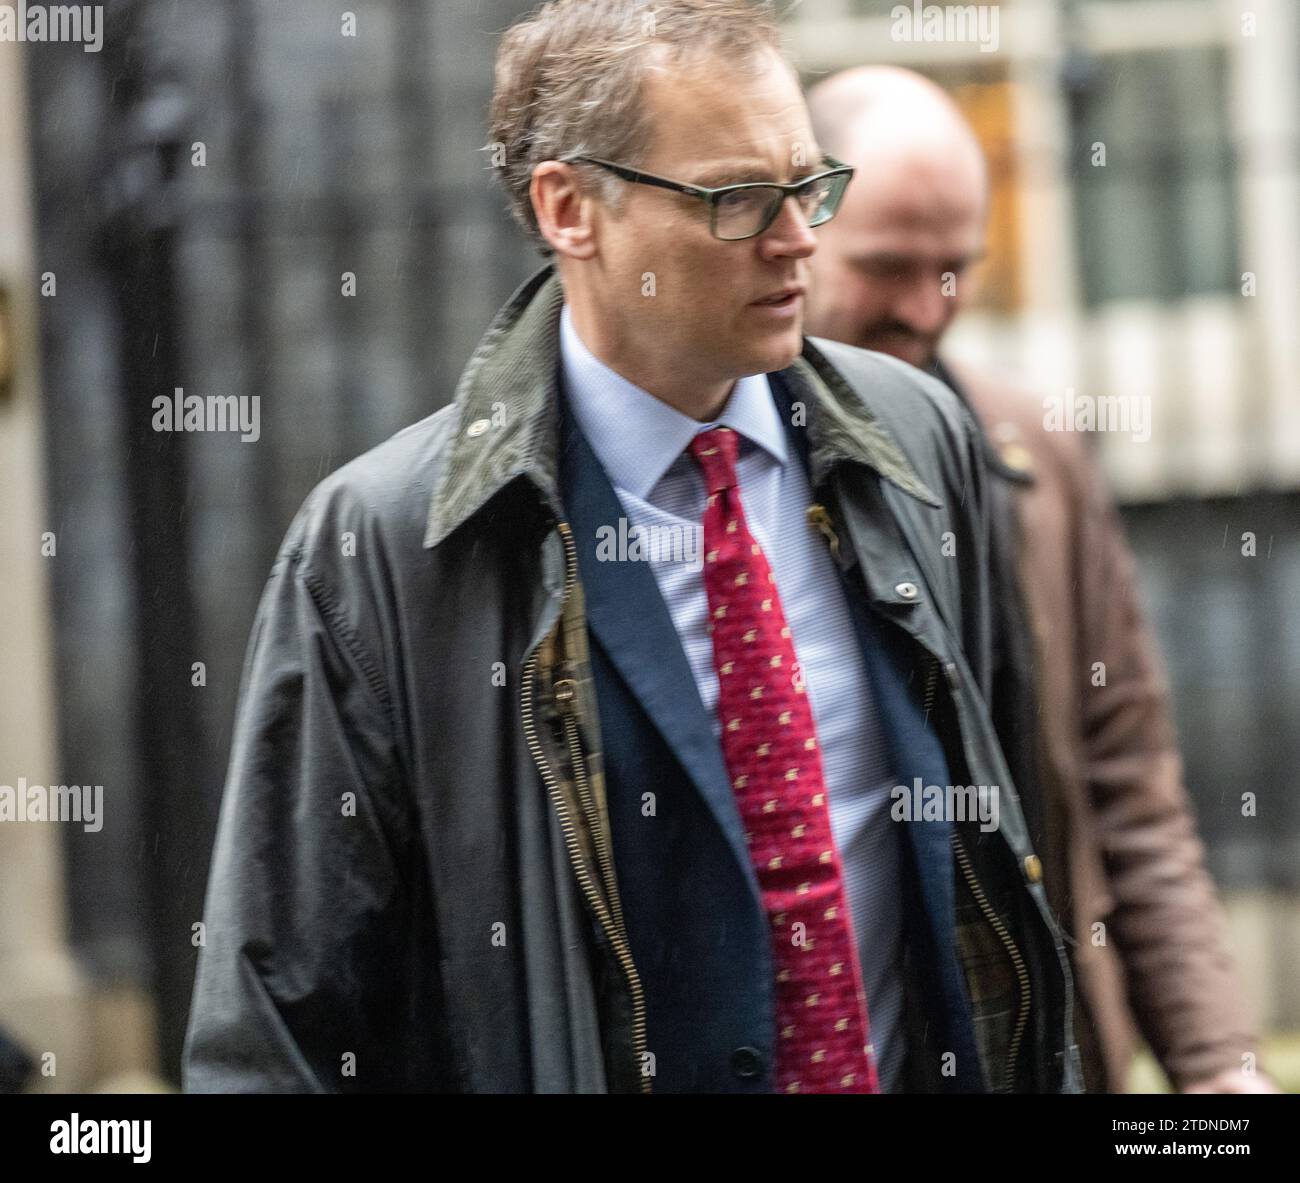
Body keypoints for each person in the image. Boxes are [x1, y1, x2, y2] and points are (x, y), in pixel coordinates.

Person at [183, 0, 1083, 1094]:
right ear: (571, 207)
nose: (799, 236)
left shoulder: (918, 441)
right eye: (737, 197)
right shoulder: (384, 545)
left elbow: (1009, 860)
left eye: (807, 184)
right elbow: (275, 1028)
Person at [803, 65, 1274, 1094]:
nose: (927, 309)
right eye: (886, 266)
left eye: (957, 267)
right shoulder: (734, 478)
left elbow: (1128, 789)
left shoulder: (1033, 457)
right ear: (797, 231)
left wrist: (1216, 1068)